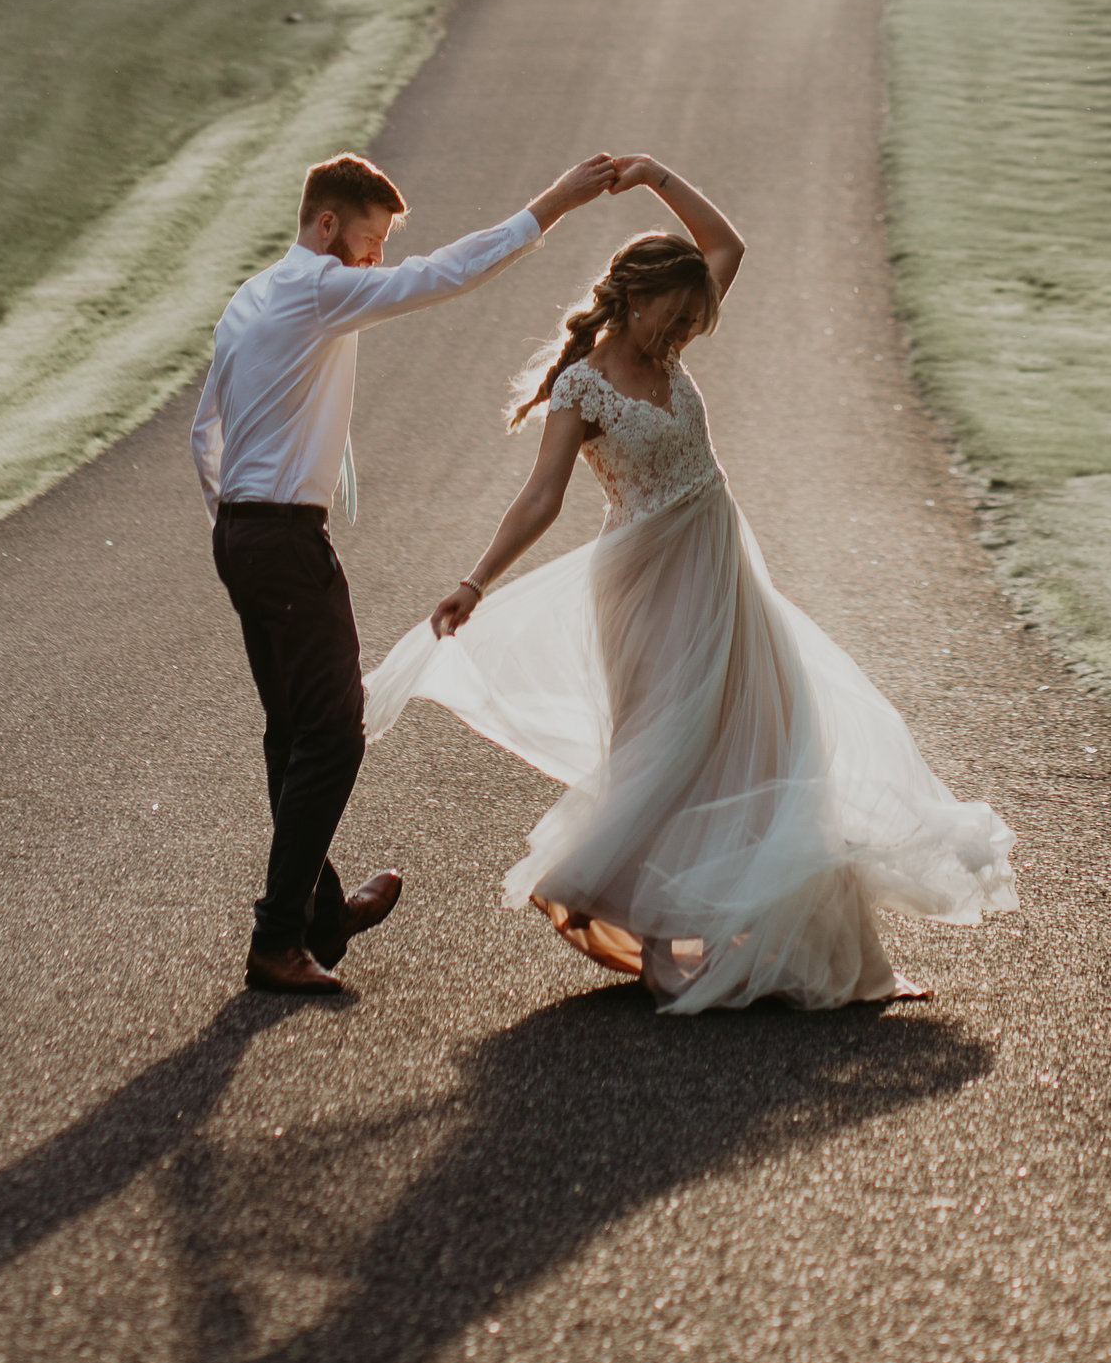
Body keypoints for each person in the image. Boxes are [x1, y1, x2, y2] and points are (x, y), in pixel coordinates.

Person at [363, 152, 1019, 1010]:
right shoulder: (581, 386)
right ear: (632, 302)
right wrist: (475, 581)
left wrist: (657, 177)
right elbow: (542, 495)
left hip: (725, 569)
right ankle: (664, 942)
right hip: (645, 585)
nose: (681, 335)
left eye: (688, 320)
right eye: (669, 319)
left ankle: (842, 957)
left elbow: (729, 247)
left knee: (781, 738)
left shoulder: (669, 343)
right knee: (671, 754)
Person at [194, 142, 620, 998]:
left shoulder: (252, 296)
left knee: (293, 730)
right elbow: (443, 276)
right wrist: (555, 203)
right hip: (278, 536)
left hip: (242, 534)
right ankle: (279, 940)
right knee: (336, 732)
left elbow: (206, 430)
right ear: (327, 226)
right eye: (371, 239)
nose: (377, 259)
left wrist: (237, 523)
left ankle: (318, 916)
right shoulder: (317, 287)